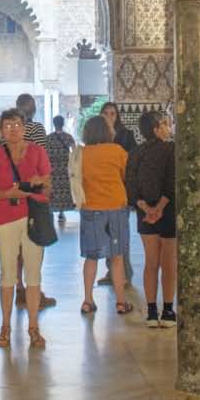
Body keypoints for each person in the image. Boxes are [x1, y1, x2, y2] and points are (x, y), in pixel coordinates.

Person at [0, 109, 51, 349]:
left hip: (33, 216)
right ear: (1, 129)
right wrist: (9, 194)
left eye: (17, 124)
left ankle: (34, 327)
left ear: (24, 127)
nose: (13, 128)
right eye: (8, 124)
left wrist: (38, 182)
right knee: (8, 274)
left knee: (33, 274)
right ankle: (5, 326)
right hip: (6, 218)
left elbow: (49, 184)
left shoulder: (37, 151)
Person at [76, 114, 132, 316]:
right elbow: (126, 175)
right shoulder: (117, 151)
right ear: (106, 131)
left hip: (90, 208)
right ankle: (120, 302)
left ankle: (88, 300)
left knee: (91, 257)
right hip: (116, 207)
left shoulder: (81, 153)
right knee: (116, 258)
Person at [127, 110, 176, 328]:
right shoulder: (171, 149)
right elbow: (172, 182)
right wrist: (160, 207)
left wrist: (146, 208)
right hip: (168, 211)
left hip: (145, 214)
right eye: (165, 124)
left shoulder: (135, 152)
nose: (168, 127)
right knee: (168, 264)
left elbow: (131, 185)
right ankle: (168, 310)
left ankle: (151, 311)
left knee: (151, 262)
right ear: (156, 129)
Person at [12, 93, 56, 308]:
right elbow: (43, 161)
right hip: (35, 192)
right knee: (36, 243)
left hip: (13, 193)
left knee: (18, 245)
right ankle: (34, 292)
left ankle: (20, 289)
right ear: (33, 109)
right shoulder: (37, 129)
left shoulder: (7, 132)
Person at [98, 101, 134, 288]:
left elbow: (131, 164)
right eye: (106, 113)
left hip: (120, 191)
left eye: (113, 113)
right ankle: (111, 272)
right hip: (101, 193)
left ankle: (124, 273)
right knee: (106, 235)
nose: (110, 117)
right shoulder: (97, 137)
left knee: (120, 236)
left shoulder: (126, 135)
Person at [45, 114, 76, 223]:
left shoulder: (48, 138)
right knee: (63, 190)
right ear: (63, 124)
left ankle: (51, 210)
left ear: (54, 124)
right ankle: (61, 213)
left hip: (52, 169)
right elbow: (75, 151)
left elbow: (44, 153)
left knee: (54, 190)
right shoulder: (68, 137)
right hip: (64, 169)